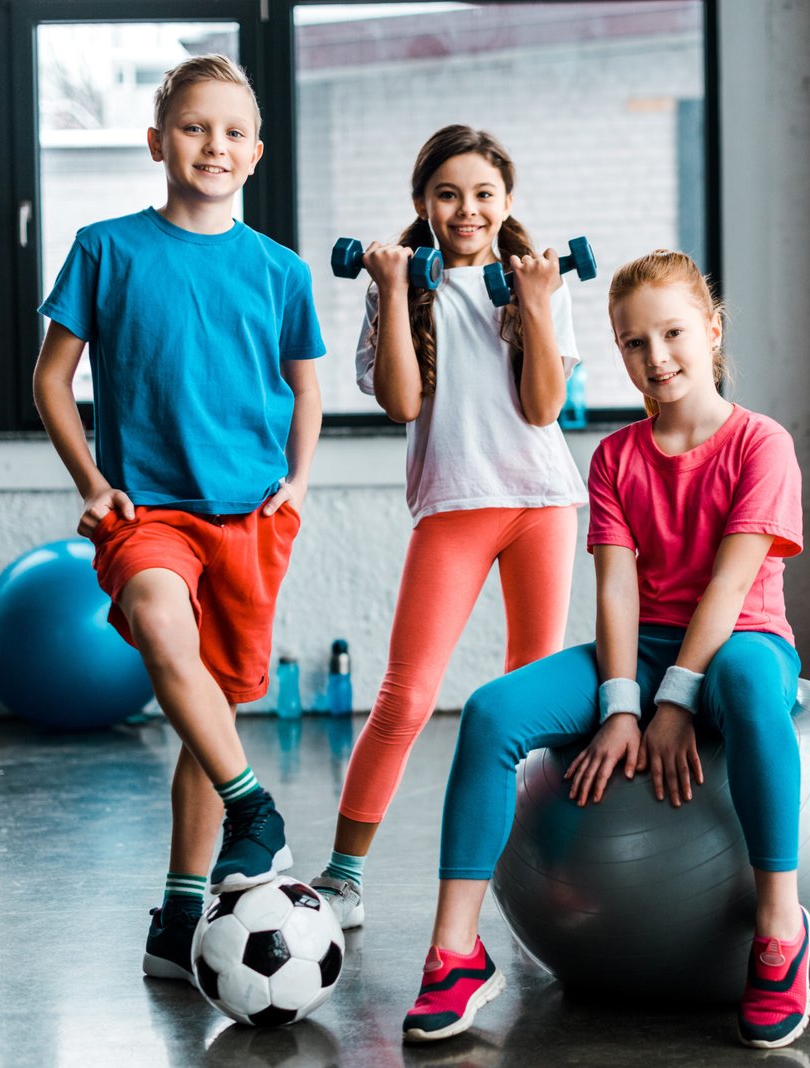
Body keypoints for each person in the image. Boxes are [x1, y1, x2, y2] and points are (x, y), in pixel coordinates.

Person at [400, 250, 810, 1050]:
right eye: (633, 343)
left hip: (742, 640)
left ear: (713, 331)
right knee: (489, 712)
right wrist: (622, 707)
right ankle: (456, 954)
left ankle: (780, 930)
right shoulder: (616, 458)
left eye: (672, 334)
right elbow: (618, 592)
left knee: (753, 690)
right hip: (642, 648)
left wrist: (673, 705)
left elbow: (729, 588)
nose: (655, 358)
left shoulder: (763, 444)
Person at [32, 54, 325, 985]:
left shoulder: (278, 269)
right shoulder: (106, 249)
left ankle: (181, 911)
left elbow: (306, 384)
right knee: (162, 627)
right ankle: (257, 812)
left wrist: (300, 480)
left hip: (248, 517)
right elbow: (50, 378)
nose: (214, 145)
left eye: (233, 132)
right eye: (195, 128)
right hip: (145, 511)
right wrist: (90, 479)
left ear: (257, 154)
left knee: (212, 720)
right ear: (158, 142)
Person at [309, 126, 586, 930]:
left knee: (531, 700)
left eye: (484, 194)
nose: (467, 210)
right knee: (407, 696)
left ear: (508, 202)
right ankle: (345, 873)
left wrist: (534, 302)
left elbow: (541, 410)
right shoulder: (399, 284)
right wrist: (393, 290)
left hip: (540, 502)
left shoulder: (539, 283)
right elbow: (401, 402)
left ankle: (538, 870)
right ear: (422, 204)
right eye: (448, 194)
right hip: (454, 506)